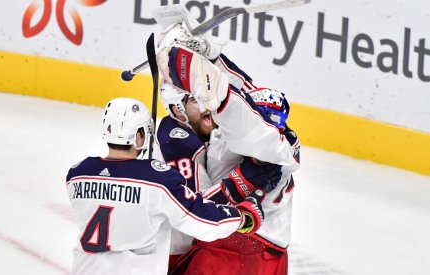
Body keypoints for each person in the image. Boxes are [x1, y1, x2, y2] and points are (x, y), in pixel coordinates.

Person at [154, 22, 300, 275]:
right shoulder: (285, 143)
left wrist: (208, 60)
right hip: (269, 256)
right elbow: (245, 95)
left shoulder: (236, 136)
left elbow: (239, 108)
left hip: (227, 249)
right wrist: (214, 58)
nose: (206, 106)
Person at [66, 97, 266, 275]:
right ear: (139, 136)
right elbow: (201, 220)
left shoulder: (76, 175)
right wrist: (242, 218)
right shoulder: (157, 180)